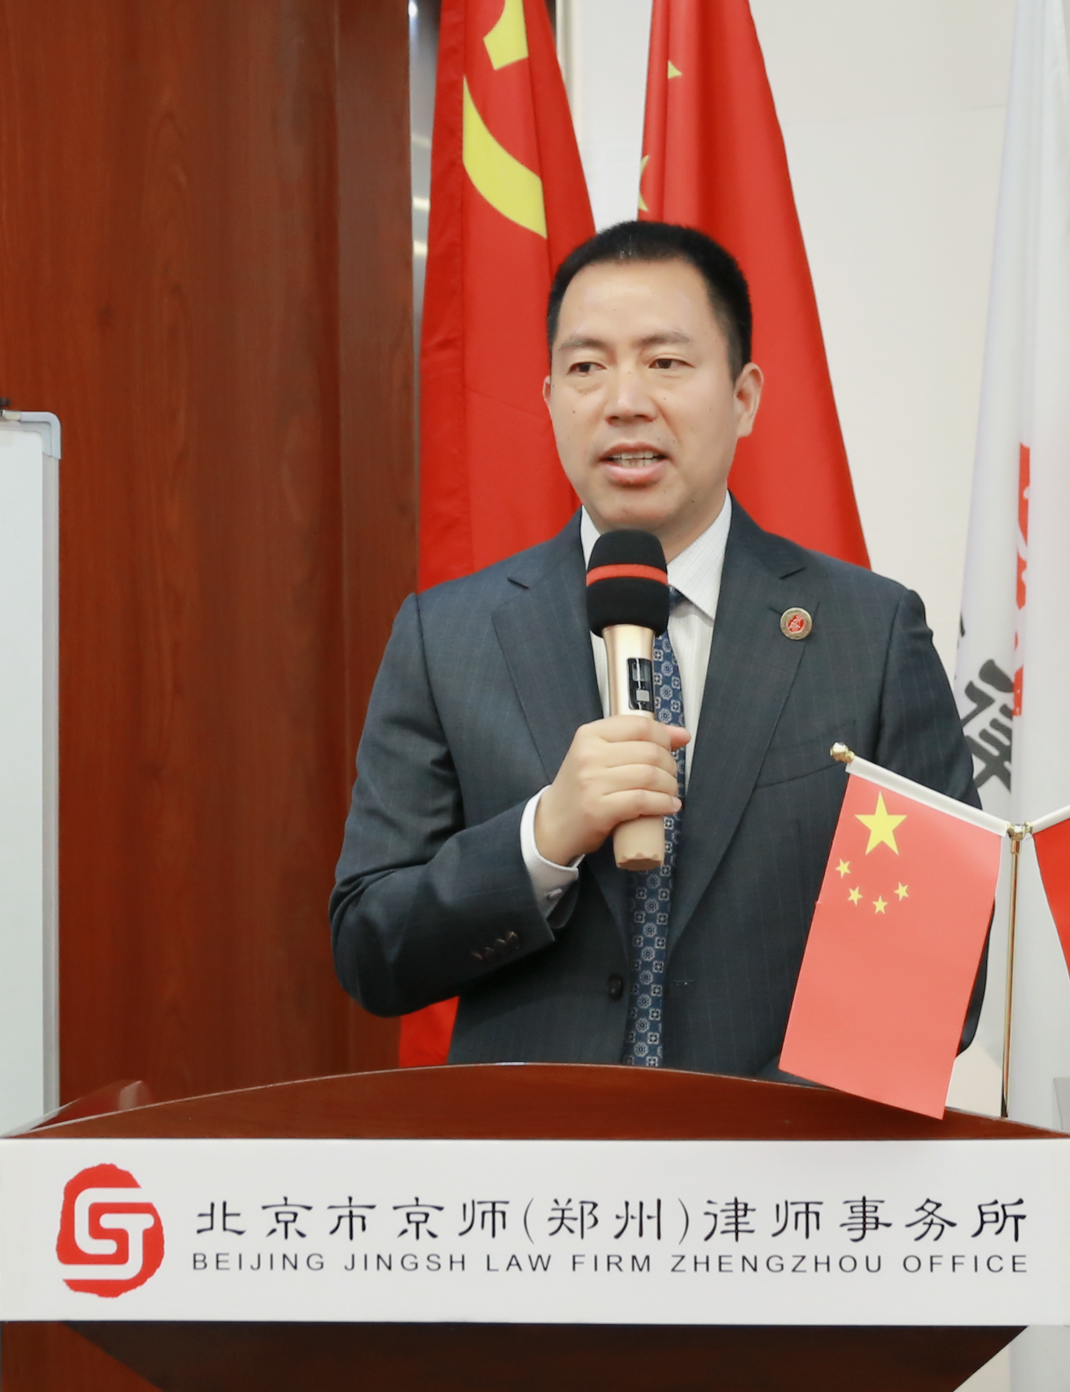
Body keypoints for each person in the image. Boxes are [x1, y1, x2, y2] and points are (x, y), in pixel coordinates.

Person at [331, 220, 979, 1076]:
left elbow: (939, 960)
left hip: (783, 1155)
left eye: (666, 362)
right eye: (586, 368)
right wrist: (541, 839)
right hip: (535, 1158)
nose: (624, 400)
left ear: (743, 397)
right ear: (549, 399)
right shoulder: (446, 636)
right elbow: (371, 947)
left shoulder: (870, 633)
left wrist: (763, 1136)